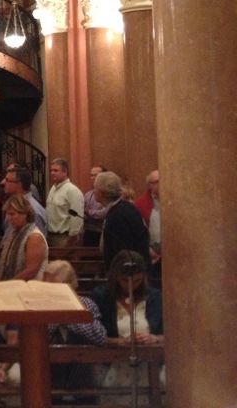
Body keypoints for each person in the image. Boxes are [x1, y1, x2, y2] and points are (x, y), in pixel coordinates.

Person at [91, 251, 163, 397]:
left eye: (136, 281)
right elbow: (92, 335)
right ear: (115, 277)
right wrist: (119, 342)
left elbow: (172, 335)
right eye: (125, 280)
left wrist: (154, 339)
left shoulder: (155, 297)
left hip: (149, 366)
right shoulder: (102, 297)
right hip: (113, 365)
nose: (131, 286)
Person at [44, 260, 107, 400]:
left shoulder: (86, 304)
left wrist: (70, 318)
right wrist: (56, 318)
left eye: (54, 287)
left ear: (70, 285)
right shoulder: (40, 306)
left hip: (82, 376)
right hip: (49, 379)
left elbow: (100, 337)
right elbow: (39, 339)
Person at [95, 171, 150, 269]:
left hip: (127, 274)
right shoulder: (126, 208)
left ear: (100, 193)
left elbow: (122, 252)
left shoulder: (117, 215)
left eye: (94, 188)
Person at [0, 194, 48, 281]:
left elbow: (31, 271)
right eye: (8, 215)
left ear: (24, 214)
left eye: (12, 214)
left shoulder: (34, 237)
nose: (9, 218)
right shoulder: (14, 233)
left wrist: (8, 284)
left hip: (30, 287)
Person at [45, 158, 85, 247]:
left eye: (56, 170)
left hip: (64, 238)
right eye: (51, 170)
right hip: (50, 236)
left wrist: (71, 240)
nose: (52, 173)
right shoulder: (53, 189)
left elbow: (77, 218)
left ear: (65, 172)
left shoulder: (72, 190)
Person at [82, 165, 108, 247]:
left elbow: (105, 212)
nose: (93, 178)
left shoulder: (108, 194)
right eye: (91, 175)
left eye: (96, 175)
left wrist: (89, 213)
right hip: (89, 232)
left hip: (101, 232)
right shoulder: (88, 194)